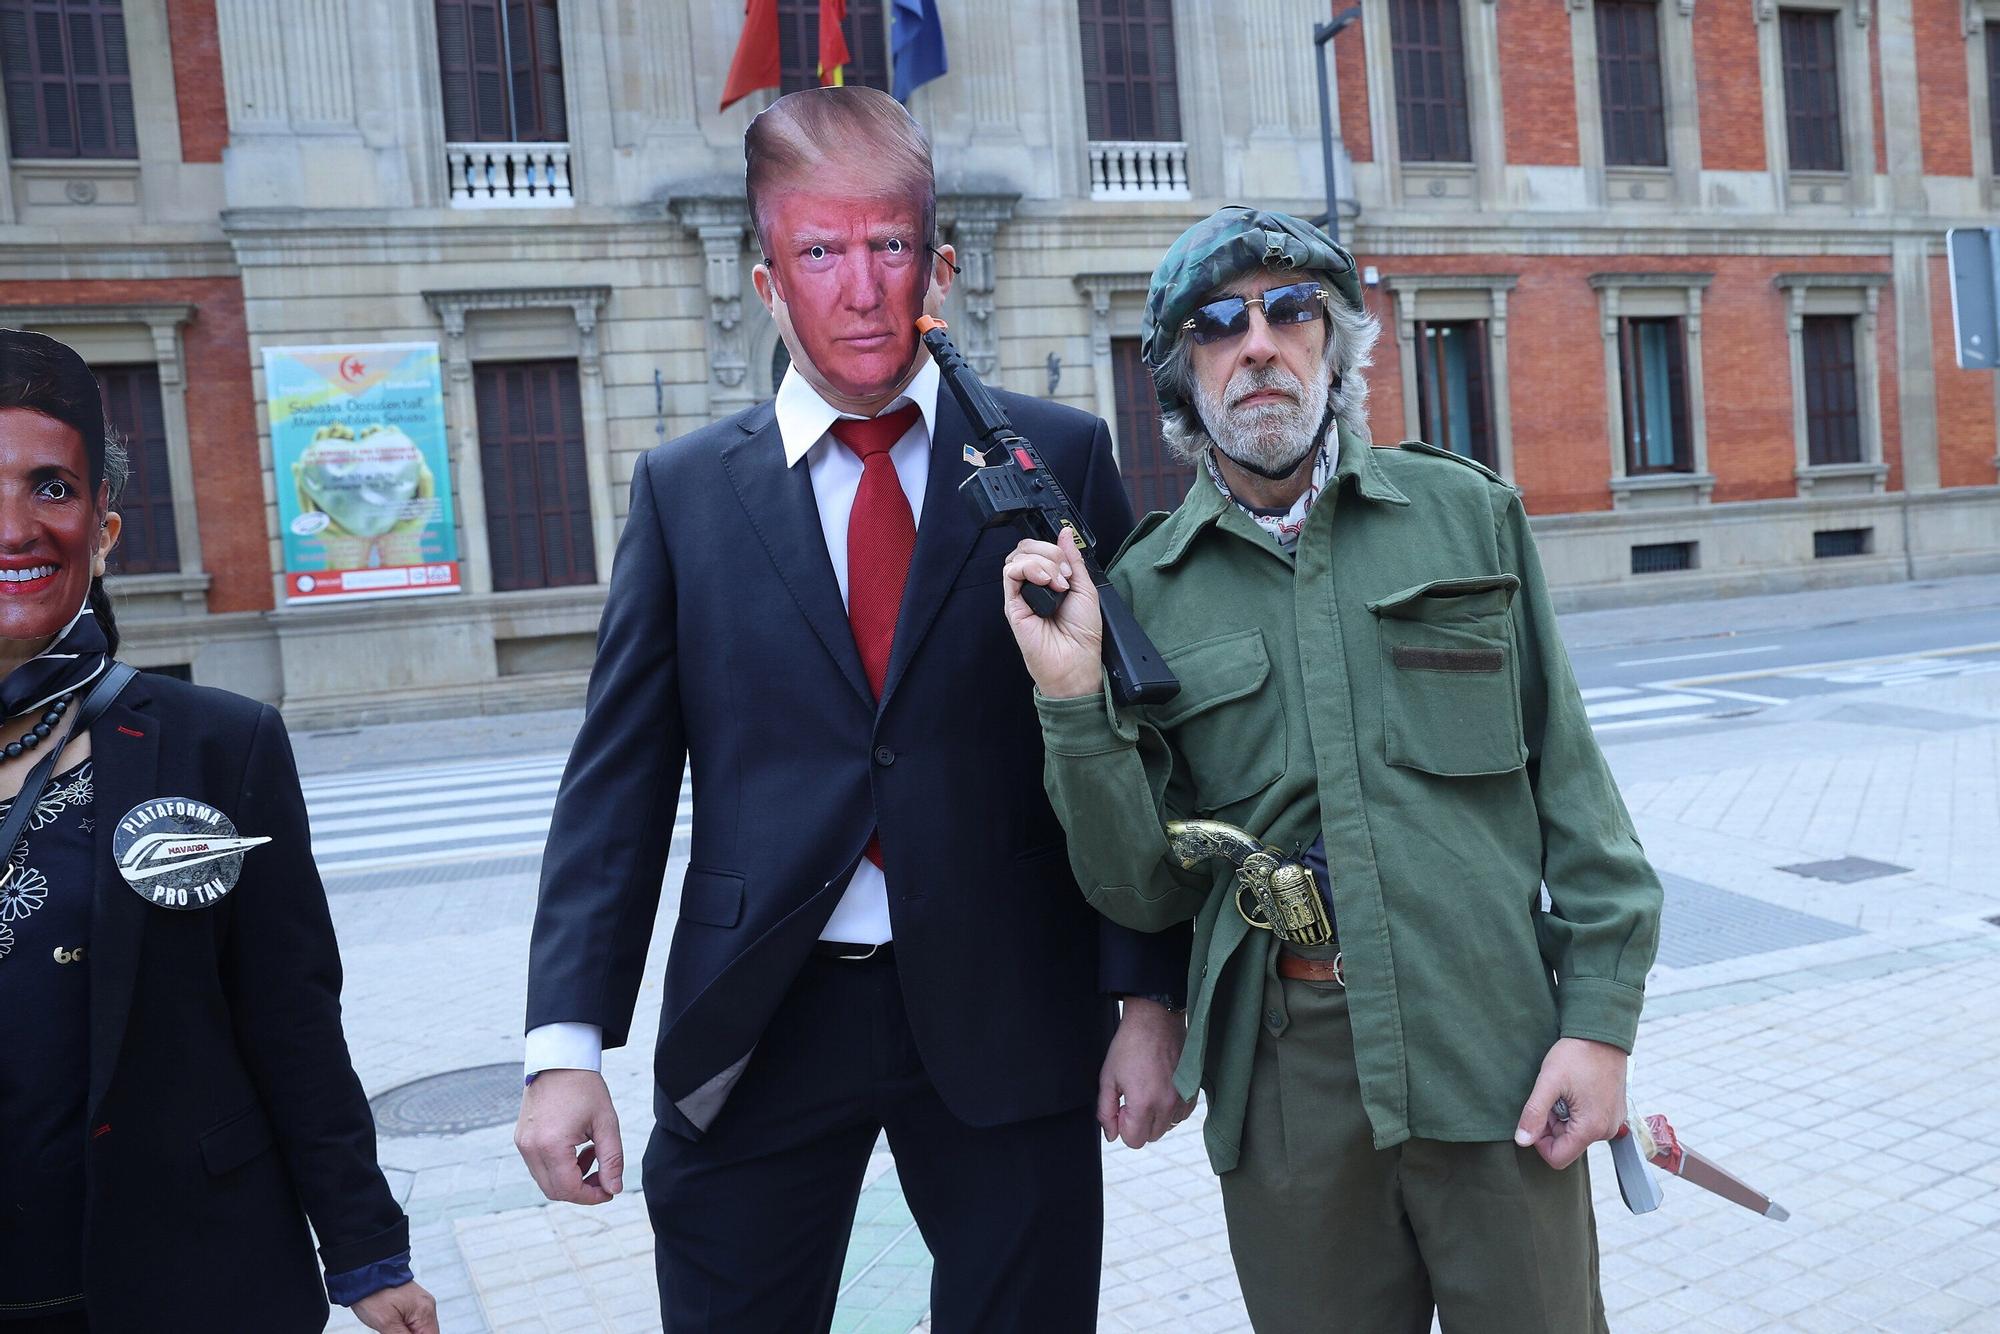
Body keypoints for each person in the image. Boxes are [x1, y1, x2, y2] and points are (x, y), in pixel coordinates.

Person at [515, 86, 1189, 1332]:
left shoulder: (1051, 456)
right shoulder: (683, 494)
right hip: (759, 1016)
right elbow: (613, 785)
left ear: (935, 264)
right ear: (768, 279)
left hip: (1007, 1012)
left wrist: (1149, 1002)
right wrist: (565, 1044)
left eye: (887, 245)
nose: (861, 286)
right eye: (820, 250)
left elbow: (1135, 752)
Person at [1001, 207, 1665, 1332]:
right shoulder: (1145, 592)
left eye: (1289, 309)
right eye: (1217, 322)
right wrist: (1071, 702)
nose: (1256, 342)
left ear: (1332, 342)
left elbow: (1578, 803)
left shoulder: (1466, 518)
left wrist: (1596, 1027)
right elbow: (1138, 886)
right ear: (1181, 373)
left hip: (1491, 1047)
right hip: (1286, 1087)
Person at [0, 329, 437, 1333]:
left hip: (188, 1278)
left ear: (105, 530)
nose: (16, 527)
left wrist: (366, 1249)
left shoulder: (215, 745)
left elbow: (289, 1017)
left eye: (52, 489)